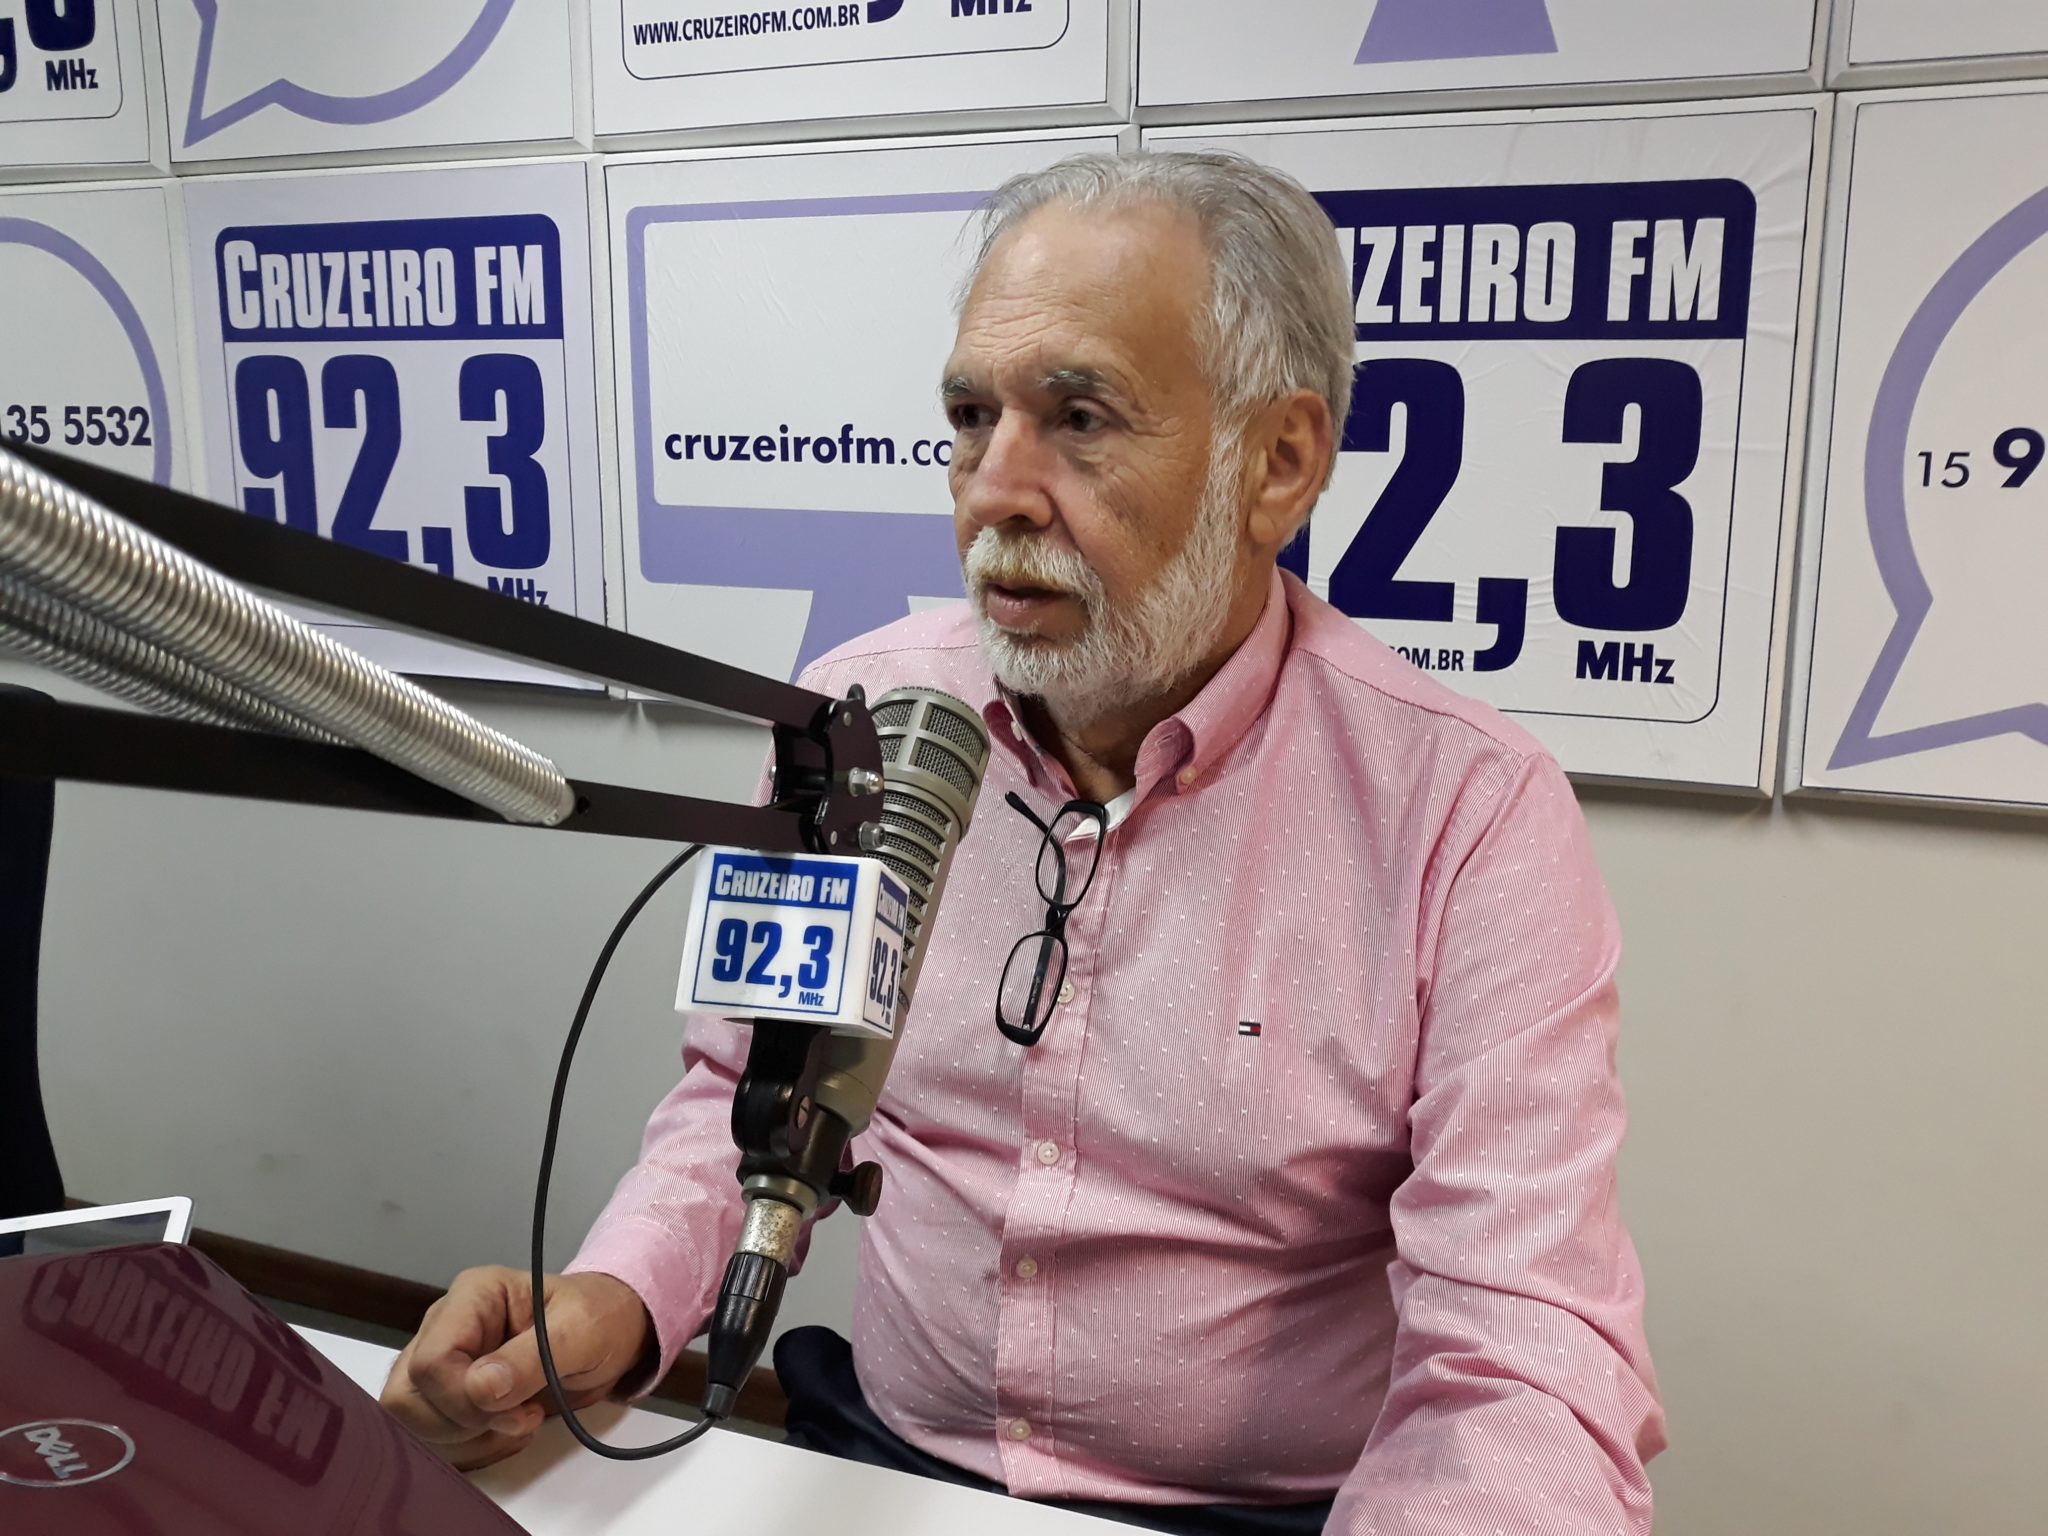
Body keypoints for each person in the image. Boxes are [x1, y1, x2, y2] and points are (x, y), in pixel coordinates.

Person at [380, 150, 1665, 1535]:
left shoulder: (1468, 812)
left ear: (1277, 463)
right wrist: (616, 1300)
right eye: (970, 415)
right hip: (876, 1464)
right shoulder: (855, 725)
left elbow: (1524, 1358)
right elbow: (746, 1093)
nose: (995, 489)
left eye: (1080, 417)